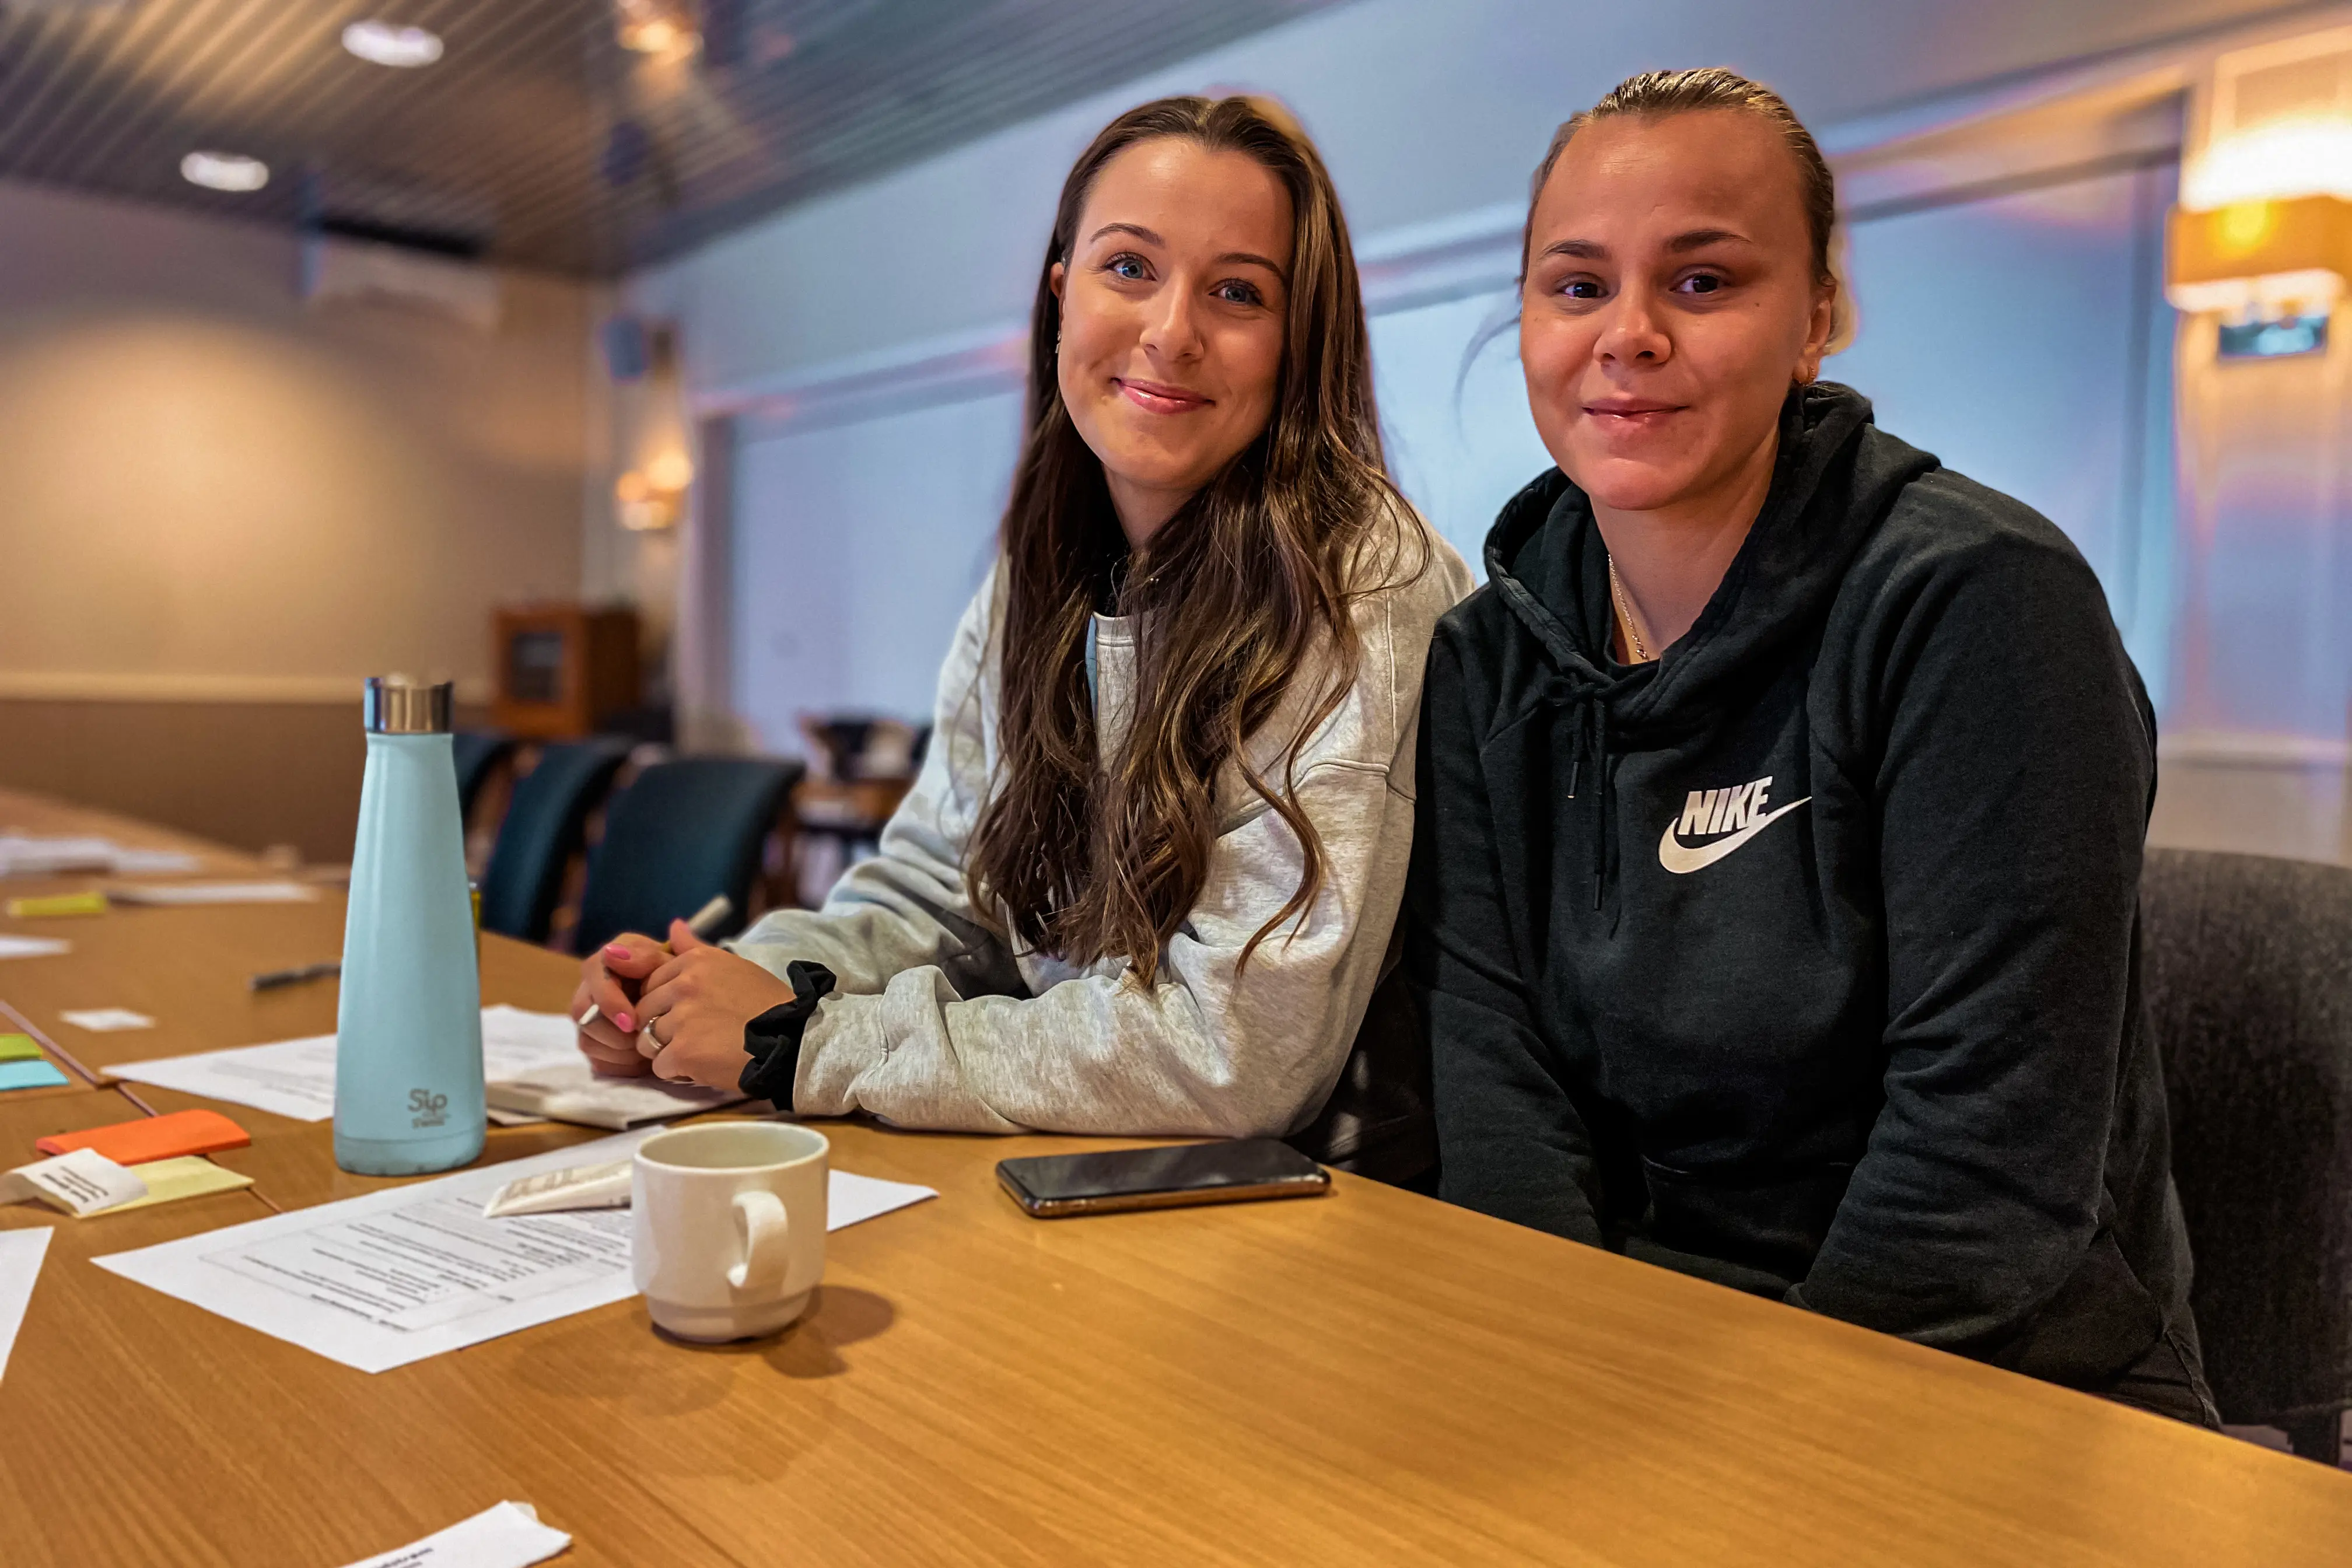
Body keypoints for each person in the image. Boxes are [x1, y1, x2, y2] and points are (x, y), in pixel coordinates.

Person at [1409, 68, 2215, 1424]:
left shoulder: (1979, 602)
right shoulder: (1487, 654)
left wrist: (1727, 1455)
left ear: (1819, 318)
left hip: (1996, 1375)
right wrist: (1542, 1373)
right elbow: (1497, 1079)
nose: (1630, 335)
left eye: (1704, 282)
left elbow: (1982, 1178)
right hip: (1634, 1346)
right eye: (1578, 285)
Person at [573, 95, 1472, 1152]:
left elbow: (1233, 1058)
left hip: (1309, 1215)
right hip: (1072, 1167)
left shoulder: (1363, 583)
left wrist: (798, 1039)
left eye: (1237, 292)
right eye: (1129, 268)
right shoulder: (1036, 566)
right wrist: (726, 988)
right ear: (1062, 296)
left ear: (1297, 339)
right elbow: (941, 894)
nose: (1171, 331)